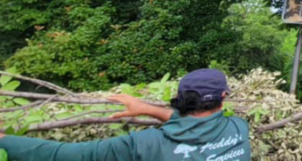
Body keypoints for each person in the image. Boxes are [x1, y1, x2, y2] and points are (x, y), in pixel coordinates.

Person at [0, 68, 251, 161]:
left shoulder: (144, 145)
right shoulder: (239, 129)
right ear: (224, 97)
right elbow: (198, 127)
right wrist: (148, 109)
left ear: (181, 99)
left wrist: (5, 139)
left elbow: (62, 154)